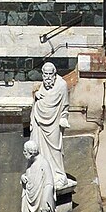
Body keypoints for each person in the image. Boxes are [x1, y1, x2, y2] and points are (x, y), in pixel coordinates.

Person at [29, 60, 73, 198]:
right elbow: (39, 94)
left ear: (55, 74)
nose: (47, 77)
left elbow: (65, 105)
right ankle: (41, 173)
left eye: (50, 74)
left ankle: (58, 175)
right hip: (39, 121)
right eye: (45, 74)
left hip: (53, 123)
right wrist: (35, 96)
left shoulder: (61, 85)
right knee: (39, 148)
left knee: (55, 149)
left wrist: (64, 117)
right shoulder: (42, 85)